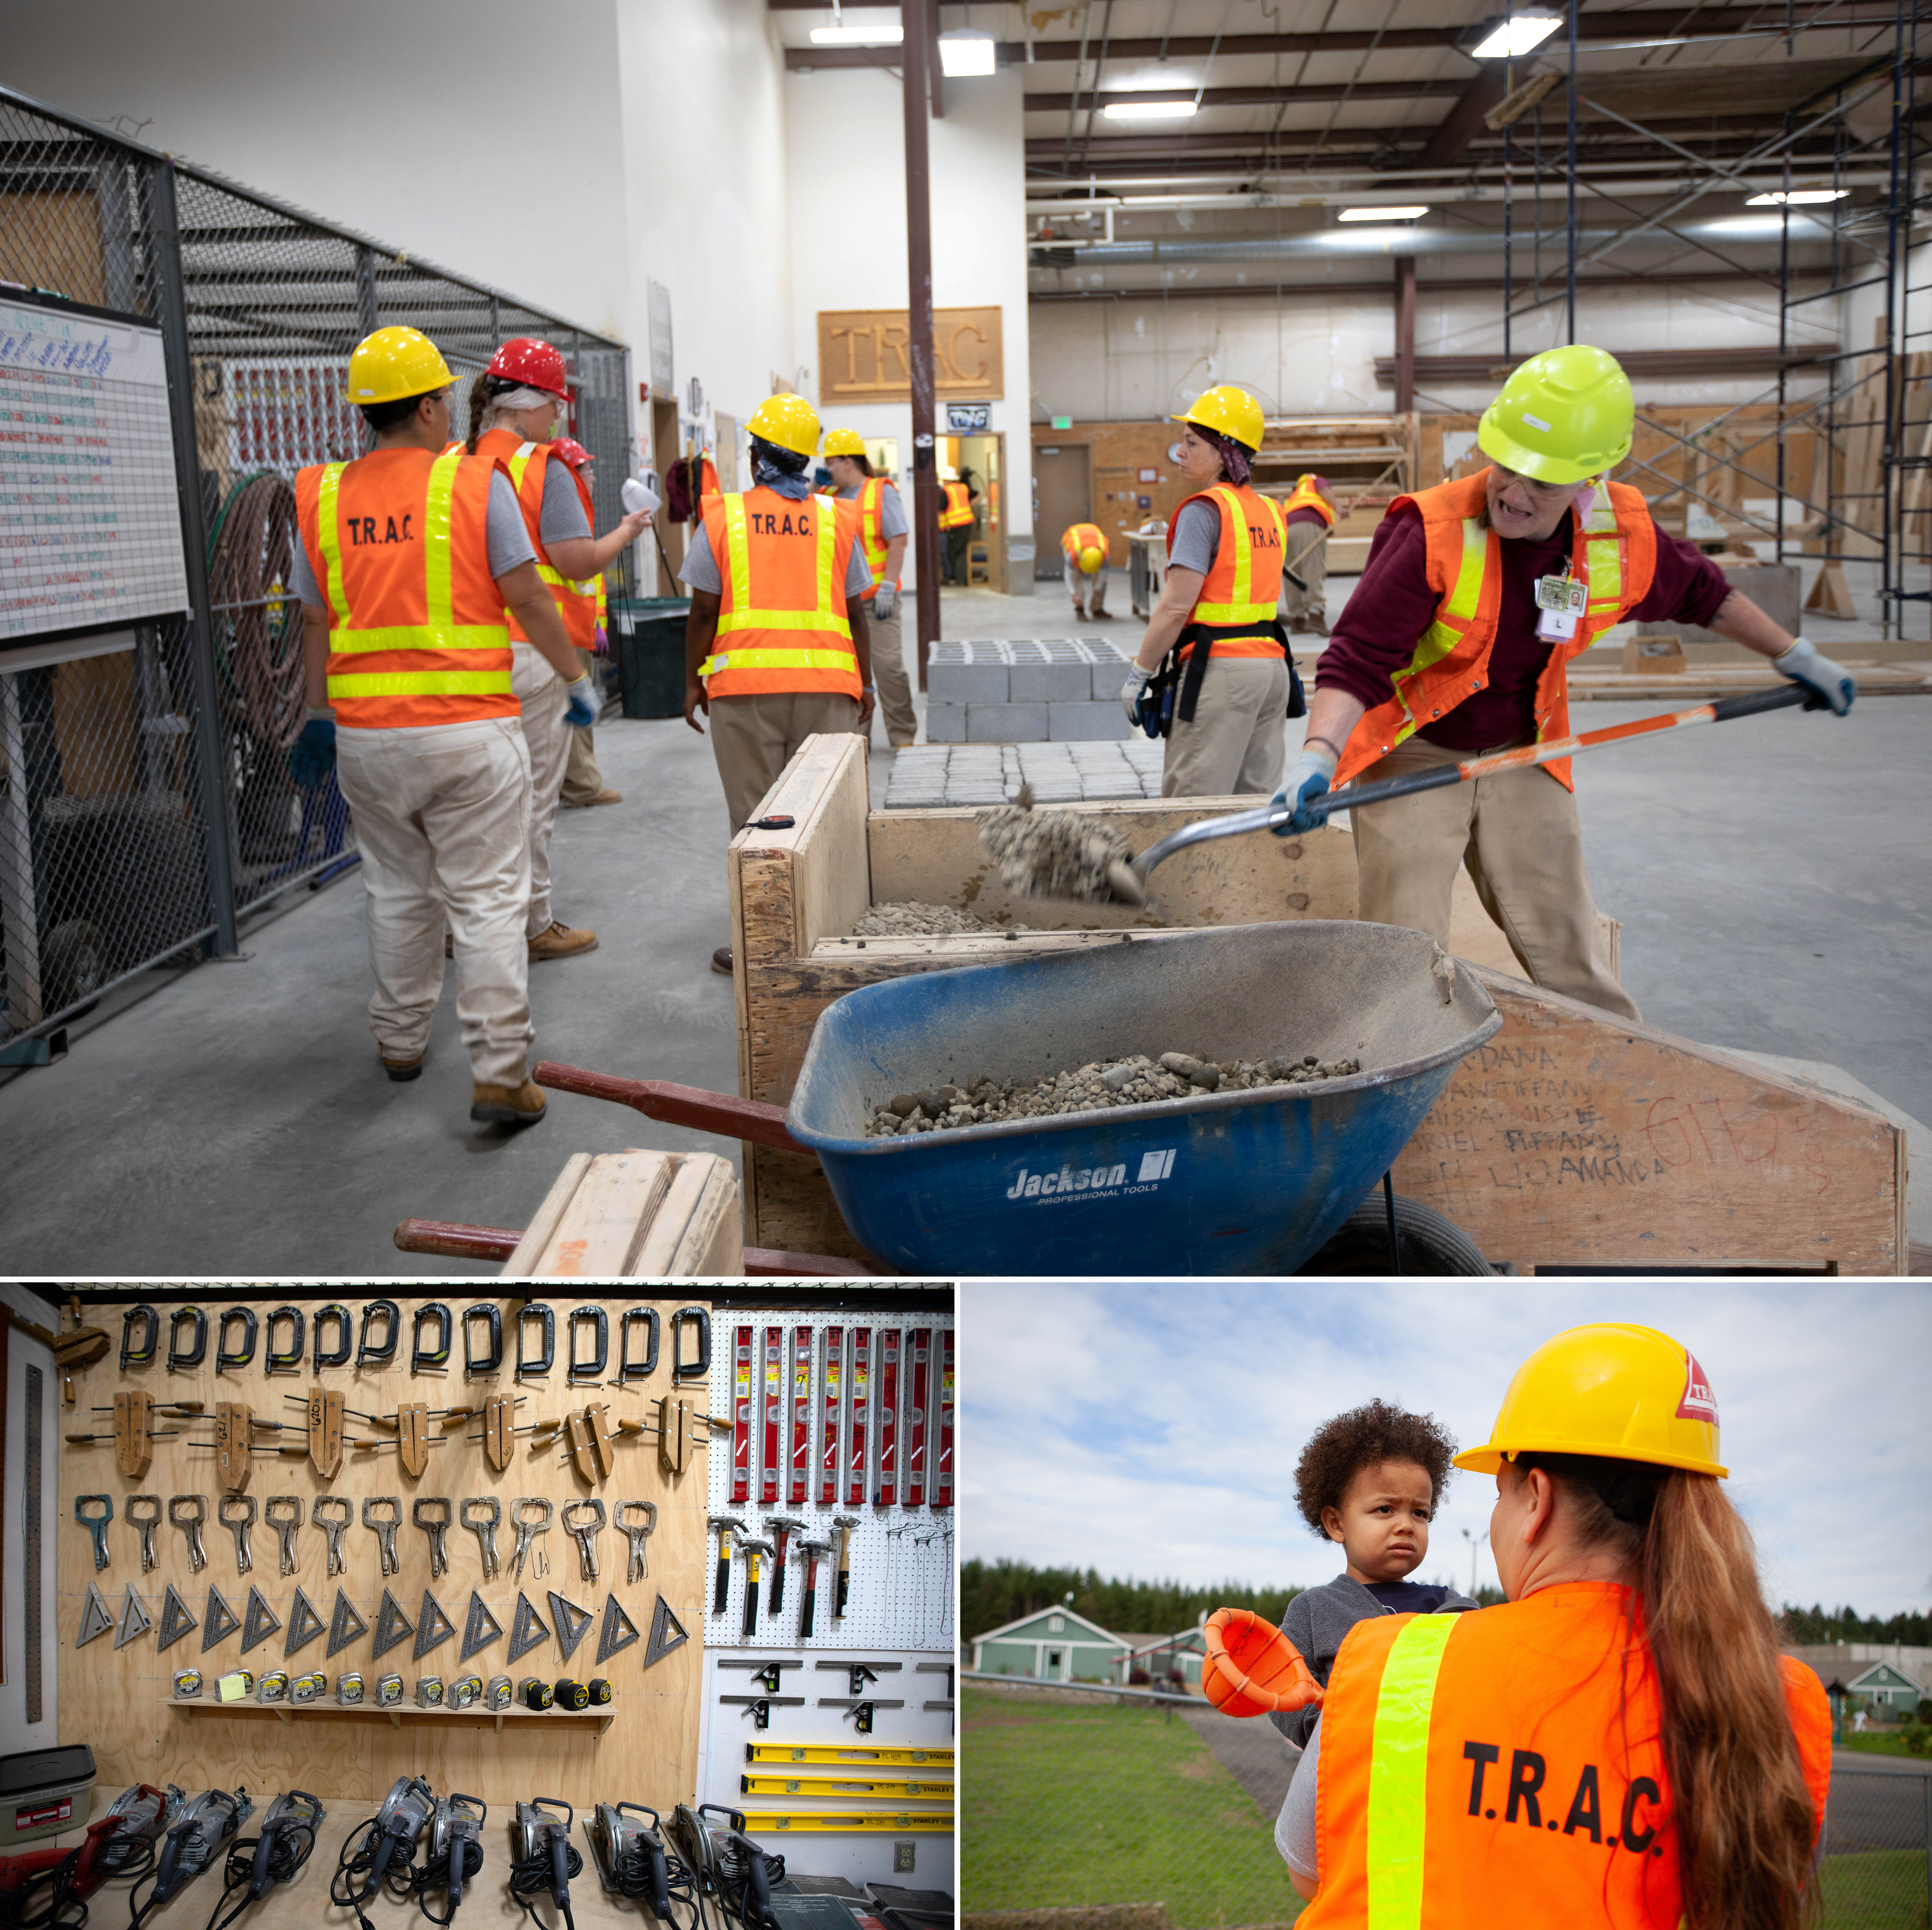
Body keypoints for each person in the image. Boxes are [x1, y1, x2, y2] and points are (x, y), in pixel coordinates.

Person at [1274, 345, 1855, 1020]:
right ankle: (1400, 1059)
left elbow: (1705, 594)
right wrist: (1317, 755)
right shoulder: (1431, 529)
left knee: (1566, 936)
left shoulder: (1620, 536)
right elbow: (1357, 655)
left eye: (1542, 485)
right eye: (1507, 469)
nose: (1513, 495)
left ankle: (1616, 1056)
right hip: (1415, 746)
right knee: (1402, 944)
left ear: (1590, 479)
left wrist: (1795, 655)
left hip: (1527, 743)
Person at [1275, 1322, 1833, 1930]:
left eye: (1499, 1495)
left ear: (1536, 1501)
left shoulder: (1391, 1667)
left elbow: (1308, 1871)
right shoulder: (1777, 1704)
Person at [287, 326, 595, 1126]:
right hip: (467, 732)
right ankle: (498, 1071)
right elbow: (529, 597)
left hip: (366, 738)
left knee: (395, 890)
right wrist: (573, 677)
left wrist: (319, 715)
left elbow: (314, 620)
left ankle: (399, 1043)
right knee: (489, 897)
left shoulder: (320, 495)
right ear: (429, 409)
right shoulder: (472, 485)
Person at [465, 338, 651, 962]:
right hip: (532, 654)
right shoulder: (542, 467)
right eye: (554, 407)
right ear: (527, 403)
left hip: (463, 655)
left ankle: (452, 926)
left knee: (466, 803)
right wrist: (626, 532)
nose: (557, 421)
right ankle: (533, 923)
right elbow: (572, 565)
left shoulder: (447, 462)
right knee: (532, 798)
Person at [680, 393, 874, 976]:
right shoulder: (837, 518)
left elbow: (702, 613)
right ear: (807, 461)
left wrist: (693, 682)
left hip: (745, 690)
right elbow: (857, 612)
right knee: (821, 819)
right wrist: (862, 684)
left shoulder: (723, 516)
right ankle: (824, 939)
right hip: (827, 688)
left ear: (755, 455)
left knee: (756, 820)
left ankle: (762, 948)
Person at [1119, 385, 1305, 798]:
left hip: (1223, 675)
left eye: (1190, 443)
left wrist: (1140, 674)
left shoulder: (1204, 512)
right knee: (1252, 808)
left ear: (1224, 452)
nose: (1179, 453)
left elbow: (1174, 607)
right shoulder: (1271, 512)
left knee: (1193, 806)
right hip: (1273, 672)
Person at [1268, 1398, 1478, 1756]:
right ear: (1336, 1523)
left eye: (1419, 1513)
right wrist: (1326, 1726)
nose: (1405, 1526)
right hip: (1351, 1786)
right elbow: (1283, 1692)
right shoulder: (1314, 1610)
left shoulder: (1450, 1609)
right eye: (1385, 1509)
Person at [824, 429, 916, 749]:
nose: (828, 469)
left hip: (877, 604)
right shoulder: (826, 496)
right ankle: (856, 742)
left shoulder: (881, 492)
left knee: (889, 669)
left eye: (831, 462)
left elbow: (898, 541)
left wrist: (888, 588)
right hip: (839, 607)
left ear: (849, 462)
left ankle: (903, 737)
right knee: (850, 678)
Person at [547, 437, 623, 810]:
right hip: (567, 625)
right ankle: (581, 787)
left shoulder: (569, 510)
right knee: (578, 704)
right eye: (587, 470)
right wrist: (593, 622)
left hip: (572, 622)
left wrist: (598, 620)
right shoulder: (566, 514)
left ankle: (574, 784)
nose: (593, 476)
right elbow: (580, 573)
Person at [1279, 472, 1337, 635]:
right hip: (1308, 524)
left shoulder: (1295, 496)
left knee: (1293, 574)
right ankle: (1316, 616)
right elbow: (1324, 491)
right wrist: (1339, 507)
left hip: (1286, 528)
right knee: (1313, 569)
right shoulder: (1315, 480)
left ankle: (1298, 620)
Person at [1061, 520, 1111, 619]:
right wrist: (1073, 595)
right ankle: (1080, 608)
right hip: (1071, 539)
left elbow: (1102, 578)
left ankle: (1097, 609)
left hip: (1092, 538)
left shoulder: (1104, 555)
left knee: (1101, 581)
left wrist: (1094, 597)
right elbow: (1068, 577)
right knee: (1076, 577)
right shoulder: (1073, 555)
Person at [938, 466, 978, 584]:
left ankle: (960, 579)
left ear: (946, 480)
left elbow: (941, 511)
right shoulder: (964, 488)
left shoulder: (947, 491)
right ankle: (962, 579)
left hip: (955, 526)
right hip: (967, 523)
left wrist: (941, 527)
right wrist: (970, 506)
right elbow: (978, 494)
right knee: (961, 550)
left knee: (952, 552)